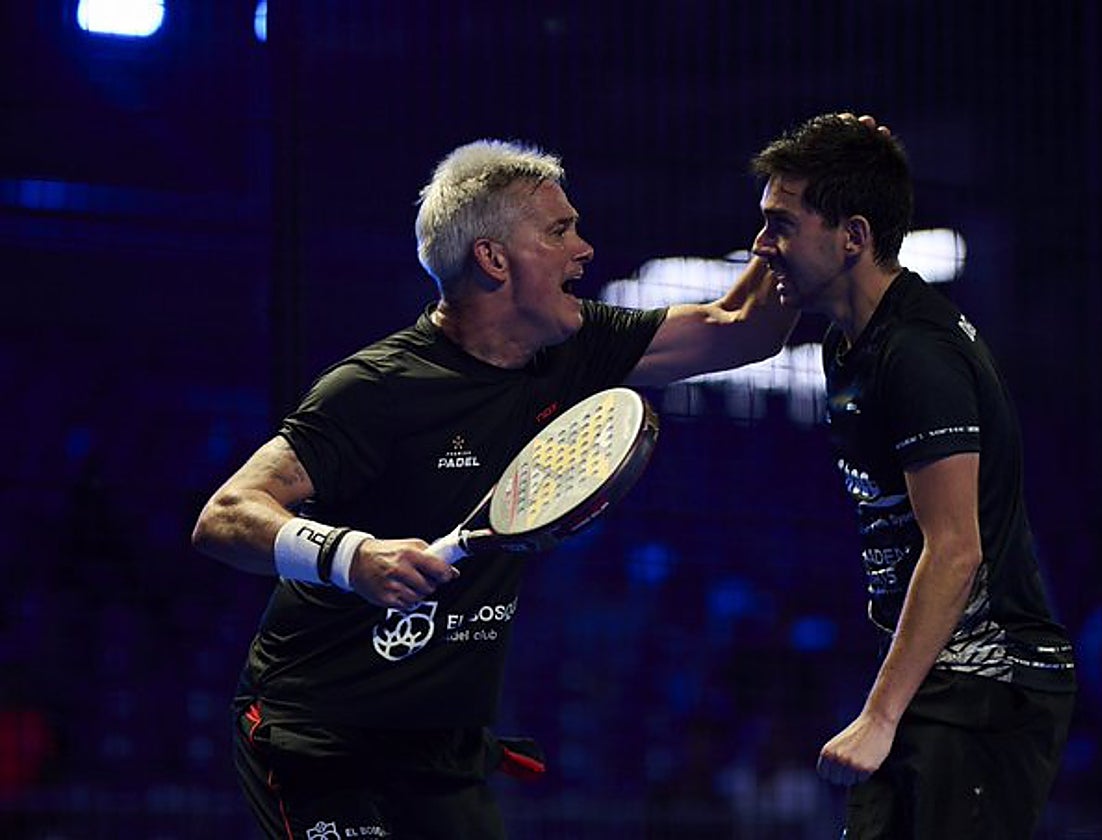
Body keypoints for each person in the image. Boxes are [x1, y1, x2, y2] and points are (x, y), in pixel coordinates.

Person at [192, 138, 799, 839]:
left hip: (441, 749)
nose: (586, 249)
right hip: (318, 736)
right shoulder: (377, 387)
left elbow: (744, 329)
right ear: (493, 258)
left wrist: (802, 201)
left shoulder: (577, 347)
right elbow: (225, 514)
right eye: (559, 230)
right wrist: (351, 556)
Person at [749, 114, 1076, 839]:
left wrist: (880, 715)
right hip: (940, 677)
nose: (760, 245)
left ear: (853, 237)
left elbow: (957, 549)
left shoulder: (918, 355)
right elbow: (736, 318)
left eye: (779, 224)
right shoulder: (848, 344)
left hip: (988, 681)